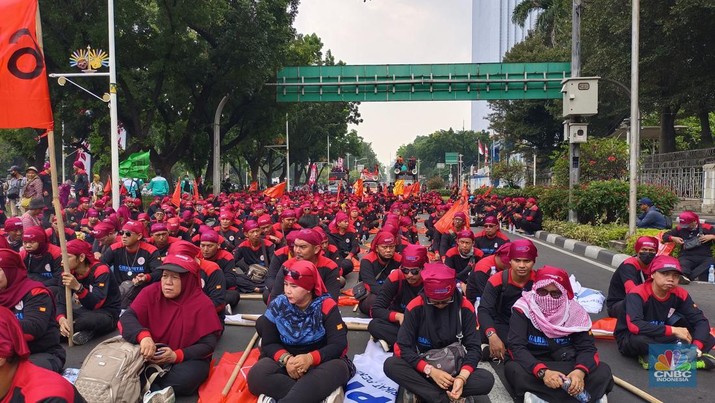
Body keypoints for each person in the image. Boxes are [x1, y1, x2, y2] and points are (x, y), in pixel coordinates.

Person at [383, 263, 494, 403]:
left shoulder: (464, 307)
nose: (440, 305)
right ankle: (445, 398)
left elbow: (474, 348)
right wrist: (431, 371)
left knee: (486, 379)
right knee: (391, 365)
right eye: (435, 302)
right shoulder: (415, 306)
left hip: (453, 369)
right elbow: (404, 347)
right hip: (424, 368)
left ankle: (426, 395)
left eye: (446, 301)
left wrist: (462, 378)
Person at [247, 260, 354, 403]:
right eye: (286, 284)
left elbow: (338, 344)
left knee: (339, 368)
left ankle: (292, 397)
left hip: (319, 362)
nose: (287, 291)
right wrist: (287, 360)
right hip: (288, 362)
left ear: (309, 287)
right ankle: (316, 396)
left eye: (294, 286)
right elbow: (269, 343)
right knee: (256, 376)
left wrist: (310, 358)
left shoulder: (326, 305)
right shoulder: (277, 305)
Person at [505, 266, 614, 402]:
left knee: (603, 372)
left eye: (555, 294)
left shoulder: (576, 313)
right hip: (535, 365)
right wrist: (543, 372)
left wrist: (579, 372)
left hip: (567, 365)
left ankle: (543, 397)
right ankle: (586, 396)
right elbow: (516, 347)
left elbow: (587, 349)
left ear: (564, 294)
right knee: (514, 370)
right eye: (542, 292)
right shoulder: (523, 309)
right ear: (535, 289)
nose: (548, 298)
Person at [119, 254, 223, 396]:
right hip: (150, 352)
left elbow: (208, 345)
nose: (167, 282)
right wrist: (144, 337)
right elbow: (127, 317)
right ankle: (152, 388)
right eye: (165, 276)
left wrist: (176, 356)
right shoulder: (151, 292)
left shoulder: (203, 304)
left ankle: (146, 386)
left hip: (183, 358)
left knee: (186, 379)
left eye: (174, 277)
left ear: (188, 280)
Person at [615, 255, 715, 370]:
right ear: (652, 274)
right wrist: (673, 330)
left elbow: (700, 321)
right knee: (640, 341)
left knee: (707, 337)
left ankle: (664, 356)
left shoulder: (680, 294)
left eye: (675, 276)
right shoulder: (637, 293)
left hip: (660, 334)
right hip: (633, 336)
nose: (670, 279)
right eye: (665, 274)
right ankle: (684, 359)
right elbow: (635, 326)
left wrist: (696, 346)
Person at [0, 306, 85, 402]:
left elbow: (35, 327)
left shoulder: (46, 397)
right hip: (25, 355)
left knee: (90, 320)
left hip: (47, 352)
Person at [0, 249, 65, 372]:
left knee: (17, 375)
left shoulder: (36, 292)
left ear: (10, 271)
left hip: (41, 352)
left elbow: (34, 328)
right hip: (7, 354)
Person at [479, 239, 537, 361]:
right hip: (503, 324)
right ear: (510, 260)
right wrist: (492, 335)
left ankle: (496, 352)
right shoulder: (497, 280)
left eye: (527, 261)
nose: (522, 265)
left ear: (534, 262)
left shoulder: (540, 282)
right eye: (517, 260)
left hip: (530, 326)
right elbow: (484, 310)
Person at [57, 239, 121, 345]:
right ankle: (80, 331)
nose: (62, 261)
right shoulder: (67, 272)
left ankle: (60, 334)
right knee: (52, 315)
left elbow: (96, 304)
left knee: (87, 321)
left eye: (67, 257)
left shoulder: (101, 270)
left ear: (81, 257)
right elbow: (60, 301)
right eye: (61, 257)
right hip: (85, 310)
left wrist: (78, 287)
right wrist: (61, 319)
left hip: (107, 313)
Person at [368, 244, 426, 350]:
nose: (409, 275)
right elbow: (375, 309)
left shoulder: (431, 281)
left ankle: (405, 344)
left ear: (423, 268)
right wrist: (398, 316)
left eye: (415, 271)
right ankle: (414, 345)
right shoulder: (396, 277)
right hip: (401, 324)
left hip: (424, 325)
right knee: (374, 325)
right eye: (405, 270)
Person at [270, 228, 341, 304]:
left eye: (302, 247)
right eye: (295, 246)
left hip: (319, 309)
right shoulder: (287, 265)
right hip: (291, 309)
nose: (297, 250)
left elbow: (332, 300)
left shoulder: (330, 267)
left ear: (316, 249)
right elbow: (275, 297)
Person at [101, 220, 161, 307]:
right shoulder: (114, 248)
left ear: (139, 236)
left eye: (128, 234)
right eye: (122, 233)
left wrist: (145, 277)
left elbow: (159, 273)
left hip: (142, 291)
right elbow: (100, 266)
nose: (124, 236)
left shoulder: (151, 250)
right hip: (120, 290)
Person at [606, 236, 658, 318]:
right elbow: (632, 292)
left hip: (644, 301)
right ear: (638, 250)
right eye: (644, 250)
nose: (648, 253)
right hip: (620, 304)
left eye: (651, 250)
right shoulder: (629, 266)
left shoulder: (655, 265)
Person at [661, 210, 715, 283]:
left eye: (687, 224)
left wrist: (712, 236)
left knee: (710, 263)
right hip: (686, 256)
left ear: (695, 221)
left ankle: (688, 277)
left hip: (705, 256)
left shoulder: (707, 228)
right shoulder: (680, 228)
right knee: (684, 265)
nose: (685, 227)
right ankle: (684, 275)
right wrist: (673, 238)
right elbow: (665, 236)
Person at [357, 231, 402, 315]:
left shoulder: (399, 259)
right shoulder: (367, 261)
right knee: (374, 302)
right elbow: (371, 285)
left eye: (392, 247)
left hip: (393, 293)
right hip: (374, 293)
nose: (388, 250)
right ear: (377, 248)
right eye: (384, 247)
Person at [19, 226, 62, 296]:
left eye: (32, 242)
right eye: (25, 242)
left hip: (53, 286)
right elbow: (19, 275)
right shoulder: (23, 255)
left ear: (41, 242)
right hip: (32, 285)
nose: (27, 246)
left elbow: (59, 279)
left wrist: (38, 285)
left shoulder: (57, 253)